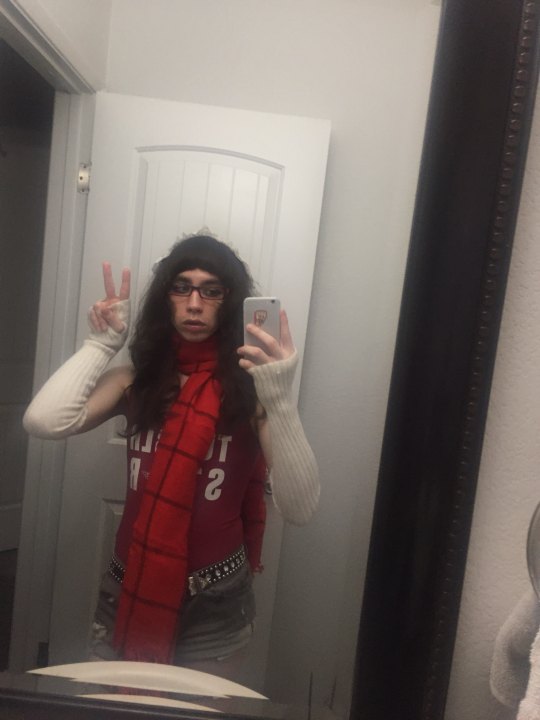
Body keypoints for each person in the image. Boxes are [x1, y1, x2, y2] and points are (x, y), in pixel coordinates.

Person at [23, 234, 319, 677]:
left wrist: (277, 397)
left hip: (217, 599)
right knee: (115, 705)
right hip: (129, 582)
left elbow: (301, 508)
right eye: (182, 287)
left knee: (194, 710)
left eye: (211, 290)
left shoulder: (251, 391)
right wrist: (100, 345)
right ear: (166, 297)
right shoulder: (135, 381)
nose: (195, 304)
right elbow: (43, 421)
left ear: (230, 301)